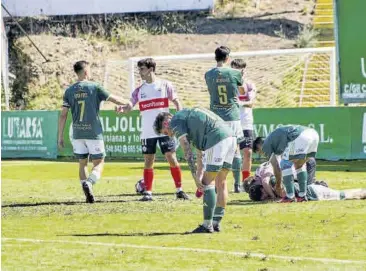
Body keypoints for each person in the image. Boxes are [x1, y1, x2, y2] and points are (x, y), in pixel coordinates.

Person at [154, 107, 237, 233]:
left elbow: (186, 148)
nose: (169, 135)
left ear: (166, 123)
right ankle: (216, 222)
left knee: (207, 183)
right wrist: (198, 172)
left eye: (165, 132)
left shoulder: (175, 121)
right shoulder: (188, 116)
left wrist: (195, 178)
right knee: (222, 182)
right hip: (231, 137)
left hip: (217, 139)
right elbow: (199, 151)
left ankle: (207, 225)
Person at [117, 58, 189, 201]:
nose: (140, 72)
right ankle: (148, 193)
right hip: (147, 131)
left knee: (171, 158)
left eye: (142, 69)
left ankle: (179, 190)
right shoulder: (139, 90)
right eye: (139, 69)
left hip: (164, 130)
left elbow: (176, 101)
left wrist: (179, 117)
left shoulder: (165, 85)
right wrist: (122, 109)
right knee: (149, 160)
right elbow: (130, 106)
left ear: (150, 69)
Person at [58, 60, 130, 203]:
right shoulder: (95, 87)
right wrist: (128, 103)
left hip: (77, 133)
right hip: (93, 132)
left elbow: (63, 114)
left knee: (82, 163)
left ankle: (87, 194)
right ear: (86, 72)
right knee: (99, 162)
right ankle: (89, 183)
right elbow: (113, 99)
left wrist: (60, 136)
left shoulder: (69, 91)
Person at [247, 158, 366, 201]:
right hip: (311, 191)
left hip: (314, 193)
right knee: (349, 194)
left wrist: (274, 197)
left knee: (350, 195)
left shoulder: (275, 184)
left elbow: (274, 187)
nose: (266, 197)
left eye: (264, 196)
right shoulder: (276, 181)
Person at [205, 46, 244, 193]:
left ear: (215, 57)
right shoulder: (234, 73)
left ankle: (215, 183)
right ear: (228, 58)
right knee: (235, 152)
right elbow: (243, 90)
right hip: (232, 116)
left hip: (216, 117)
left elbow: (211, 91)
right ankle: (236, 184)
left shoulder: (208, 74)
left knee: (216, 149)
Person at [252, 125, 319, 203]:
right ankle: (302, 196)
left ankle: (290, 196)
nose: (263, 154)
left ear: (259, 146)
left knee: (285, 164)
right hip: (313, 134)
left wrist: (278, 185)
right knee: (299, 165)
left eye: (260, 152)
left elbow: (277, 167)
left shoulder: (265, 145)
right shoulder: (275, 140)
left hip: (300, 136)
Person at [231, 58, 257, 189]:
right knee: (234, 154)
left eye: (239, 69)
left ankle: (245, 183)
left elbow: (251, 103)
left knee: (248, 152)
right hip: (232, 122)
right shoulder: (229, 85)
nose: (237, 71)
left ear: (243, 70)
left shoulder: (250, 85)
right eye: (234, 69)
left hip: (246, 123)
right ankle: (236, 183)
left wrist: (239, 103)